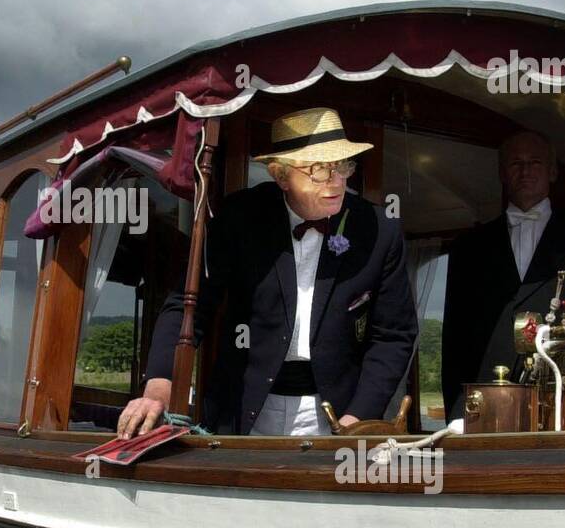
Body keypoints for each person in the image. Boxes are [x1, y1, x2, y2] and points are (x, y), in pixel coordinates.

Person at [117, 107, 418, 438]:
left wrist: (357, 418)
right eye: (318, 169)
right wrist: (159, 386)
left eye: (342, 166)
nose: (336, 181)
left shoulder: (380, 230)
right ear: (281, 176)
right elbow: (189, 305)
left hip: (339, 410)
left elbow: (394, 335)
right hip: (244, 404)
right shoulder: (238, 219)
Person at [441, 129, 565, 421]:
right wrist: (455, 410)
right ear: (503, 173)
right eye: (516, 164)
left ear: (553, 171)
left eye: (535, 163)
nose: (526, 171)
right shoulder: (468, 248)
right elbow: (454, 338)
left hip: (563, 397)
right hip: (485, 399)